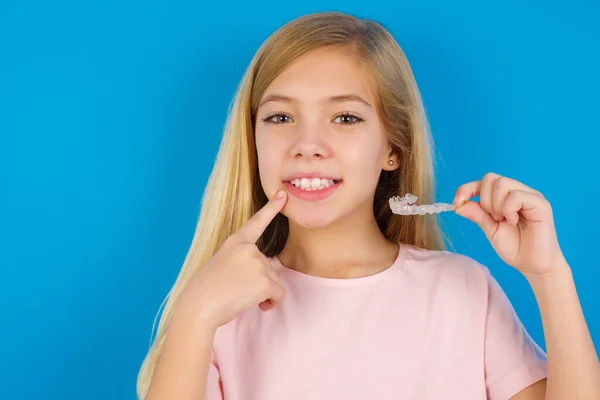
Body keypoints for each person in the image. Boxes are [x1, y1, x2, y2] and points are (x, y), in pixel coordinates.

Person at [136, 11, 599, 400]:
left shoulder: (461, 291)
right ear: (252, 140)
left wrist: (550, 275)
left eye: (345, 117)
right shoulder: (222, 311)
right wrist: (194, 316)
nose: (307, 144)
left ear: (392, 148)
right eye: (280, 116)